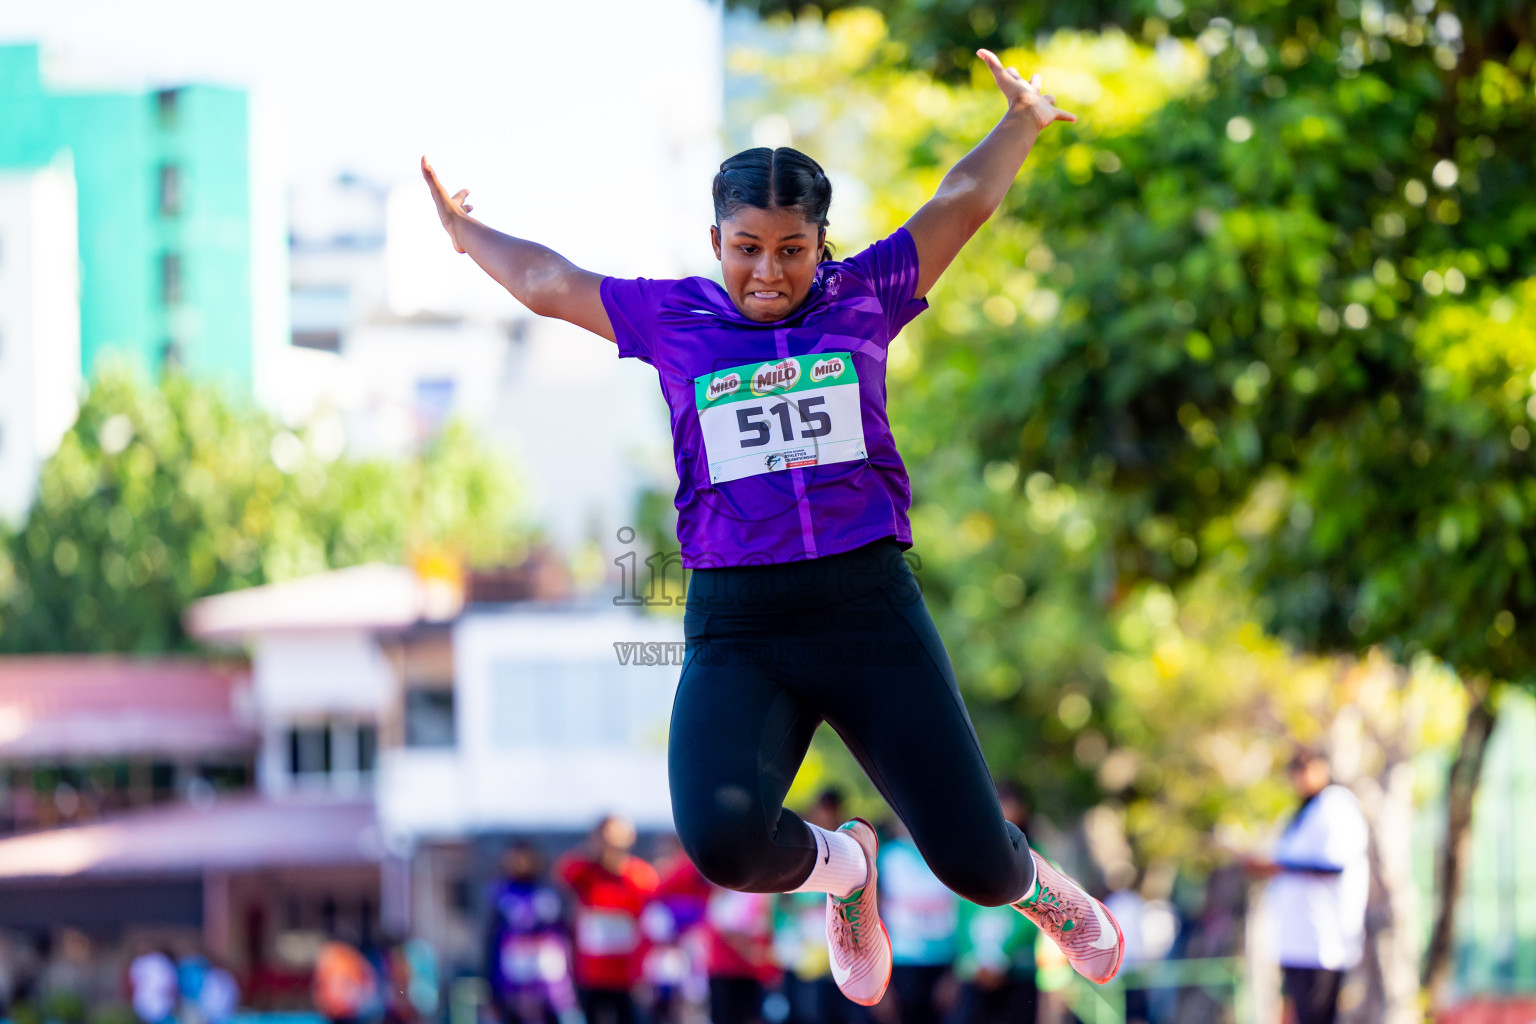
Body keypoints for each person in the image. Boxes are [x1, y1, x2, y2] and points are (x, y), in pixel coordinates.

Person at [422, 47, 1123, 1009]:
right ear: (716, 240)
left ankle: (1040, 889)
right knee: (721, 843)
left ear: (821, 243)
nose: (768, 271)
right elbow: (547, 279)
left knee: (975, 868)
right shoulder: (675, 322)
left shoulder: (865, 298)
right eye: (746, 246)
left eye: (791, 249)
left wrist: (1022, 119)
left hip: (865, 606)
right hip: (740, 624)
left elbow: (960, 201)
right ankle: (845, 870)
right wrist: (466, 233)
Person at [1239, 747, 1368, 1024]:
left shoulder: (1336, 805)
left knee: (1318, 1015)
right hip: (1296, 939)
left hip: (1323, 939)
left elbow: (1333, 863)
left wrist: (1278, 867)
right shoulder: (1304, 810)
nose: (1298, 777)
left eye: (1304, 768)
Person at [554, 816, 660, 1024]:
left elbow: (649, 927)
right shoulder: (585, 873)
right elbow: (563, 871)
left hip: (628, 976)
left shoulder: (641, 875)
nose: (611, 842)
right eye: (605, 836)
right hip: (590, 974)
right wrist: (594, 848)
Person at [953, 786, 1041, 1024]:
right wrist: (968, 963)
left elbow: (1036, 913)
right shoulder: (971, 856)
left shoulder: (1037, 857)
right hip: (977, 972)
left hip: (1015, 971)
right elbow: (963, 913)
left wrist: (1001, 958)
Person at [487, 842, 579, 1024]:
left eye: (524, 858)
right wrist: (493, 988)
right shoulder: (498, 895)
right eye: (514, 859)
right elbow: (490, 943)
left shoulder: (551, 893)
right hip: (512, 986)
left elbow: (567, 934)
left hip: (550, 987)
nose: (520, 863)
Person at [877, 820, 958, 1024]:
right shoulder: (887, 857)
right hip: (901, 964)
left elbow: (964, 916)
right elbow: (873, 916)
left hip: (945, 962)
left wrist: (955, 974)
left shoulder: (952, 854)